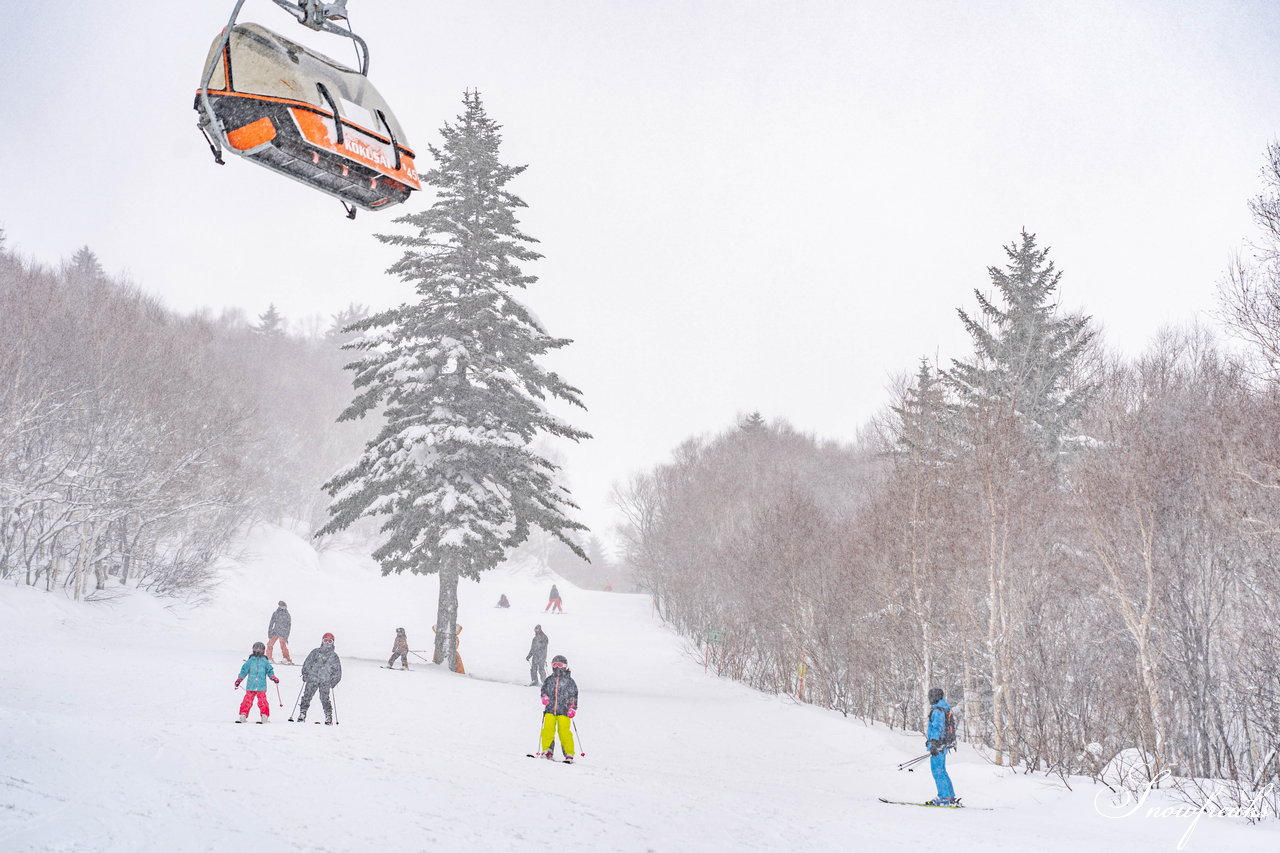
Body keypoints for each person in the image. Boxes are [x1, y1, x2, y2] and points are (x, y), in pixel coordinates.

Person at [538, 654, 578, 762]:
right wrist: (544, 697)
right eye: (554, 665)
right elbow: (543, 690)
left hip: (564, 711)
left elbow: (573, 695)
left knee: (564, 732)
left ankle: (569, 753)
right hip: (550, 710)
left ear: (565, 666)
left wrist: (572, 707)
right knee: (547, 730)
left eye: (560, 665)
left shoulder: (569, 681)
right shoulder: (549, 679)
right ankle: (547, 751)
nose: (557, 667)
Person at [298, 632, 342, 724]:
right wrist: (305, 674)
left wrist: (333, 682)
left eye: (330, 641)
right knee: (307, 696)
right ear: (322, 641)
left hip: (325, 681)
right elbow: (307, 663)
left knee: (325, 698)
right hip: (312, 678)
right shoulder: (315, 652)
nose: (327, 643)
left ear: (333, 643)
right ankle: (302, 713)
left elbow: (337, 671)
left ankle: (328, 716)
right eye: (325, 640)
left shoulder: (334, 656)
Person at [925, 687, 958, 806]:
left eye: (931, 697)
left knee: (937, 771)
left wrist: (933, 743)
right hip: (943, 745)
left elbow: (937, 728)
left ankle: (944, 797)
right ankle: (950, 795)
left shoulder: (938, 711)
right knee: (942, 771)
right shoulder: (944, 708)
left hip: (938, 745)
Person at [234, 641, 280, 723]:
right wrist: (239, 679)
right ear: (253, 649)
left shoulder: (265, 661)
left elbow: (269, 670)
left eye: (260, 649)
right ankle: (243, 715)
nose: (258, 650)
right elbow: (244, 671)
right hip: (251, 686)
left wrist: (273, 677)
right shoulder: (250, 661)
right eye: (256, 648)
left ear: (263, 650)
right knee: (247, 701)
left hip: (261, 686)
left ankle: (264, 716)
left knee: (262, 701)